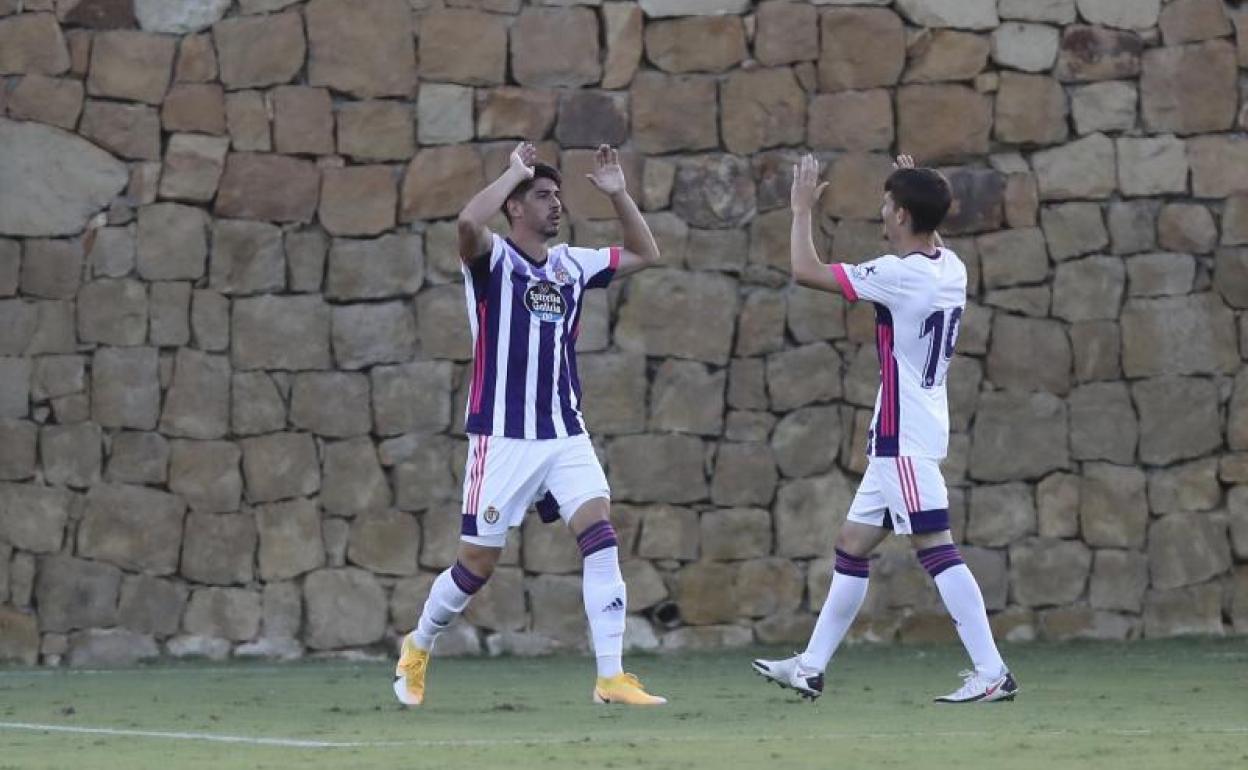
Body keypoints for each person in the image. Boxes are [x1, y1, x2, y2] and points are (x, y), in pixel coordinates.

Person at [393, 142, 666, 706]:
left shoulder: (572, 263)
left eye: (557, 196)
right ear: (515, 208)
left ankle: (610, 676)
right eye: (542, 196)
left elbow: (646, 251)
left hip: (565, 432)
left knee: (600, 535)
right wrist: (511, 173)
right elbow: (468, 221)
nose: (555, 205)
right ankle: (418, 645)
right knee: (476, 564)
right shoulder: (492, 259)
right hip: (502, 437)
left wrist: (618, 195)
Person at [752, 154, 1018, 704]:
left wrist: (801, 211)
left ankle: (992, 671)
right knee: (851, 545)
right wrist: (920, 186)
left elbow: (806, 271)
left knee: (935, 546)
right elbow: (928, 229)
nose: (881, 210)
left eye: (887, 203)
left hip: (906, 440)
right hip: (901, 435)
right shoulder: (950, 265)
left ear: (899, 215)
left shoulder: (901, 275)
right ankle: (810, 666)